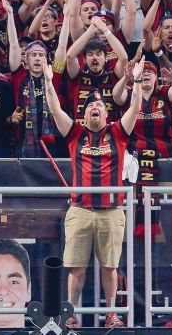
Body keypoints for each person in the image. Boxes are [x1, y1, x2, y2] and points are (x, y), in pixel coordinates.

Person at [45, 59, 147, 329]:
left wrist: (136, 81)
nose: (94, 107)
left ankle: (112, 314)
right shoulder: (75, 133)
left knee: (109, 267)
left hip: (112, 211)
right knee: (76, 267)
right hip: (79, 210)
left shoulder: (118, 132)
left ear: (106, 114)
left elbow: (135, 107)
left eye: (99, 105)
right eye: (90, 105)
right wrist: (47, 81)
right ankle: (70, 313)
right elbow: (55, 108)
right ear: (83, 114)